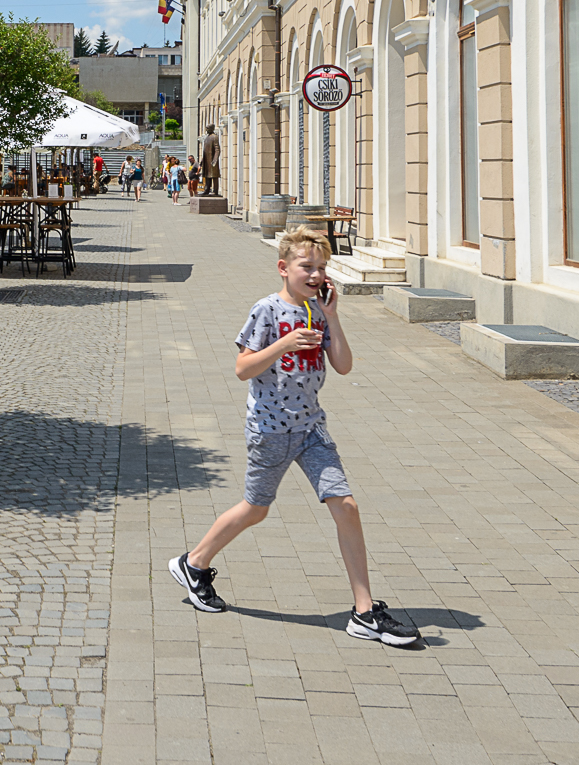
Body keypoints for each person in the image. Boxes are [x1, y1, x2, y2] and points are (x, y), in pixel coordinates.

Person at [167, 228, 421, 648]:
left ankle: (363, 611)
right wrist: (285, 342)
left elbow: (343, 366)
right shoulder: (266, 310)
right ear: (284, 269)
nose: (316, 274)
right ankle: (193, 562)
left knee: (346, 506)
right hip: (269, 431)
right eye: (307, 266)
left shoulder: (319, 311)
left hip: (311, 429)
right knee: (255, 510)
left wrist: (334, 317)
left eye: (322, 268)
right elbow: (242, 368)